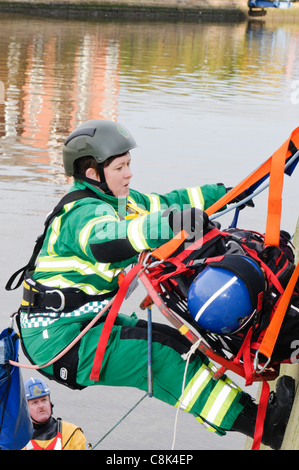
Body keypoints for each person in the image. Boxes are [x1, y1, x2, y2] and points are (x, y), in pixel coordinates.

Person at [8, 119, 295, 450]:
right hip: (59, 341)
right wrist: (171, 224)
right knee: (162, 357)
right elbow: (108, 240)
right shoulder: (80, 214)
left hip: (84, 322)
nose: (129, 173)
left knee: (175, 342)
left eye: (129, 164)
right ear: (93, 174)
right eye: (120, 167)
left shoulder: (120, 201)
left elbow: (170, 203)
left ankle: (258, 416)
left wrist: (232, 192)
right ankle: (266, 427)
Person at [22, 377, 86, 450]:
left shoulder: (72, 434)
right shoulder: (16, 440)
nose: (41, 406)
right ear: (25, 408)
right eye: (35, 402)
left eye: (44, 400)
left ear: (50, 403)